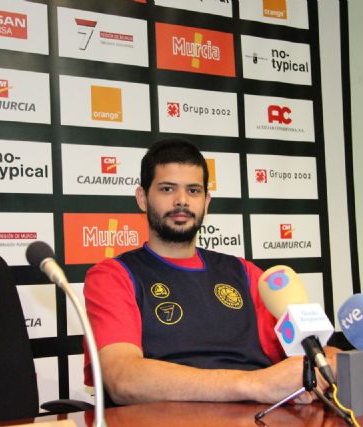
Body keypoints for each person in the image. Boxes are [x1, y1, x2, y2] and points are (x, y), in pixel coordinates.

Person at [83, 138, 339, 405]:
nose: (181, 201)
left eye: (193, 191)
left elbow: (315, 352)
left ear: (206, 202)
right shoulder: (114, 276)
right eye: (167, 189)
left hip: (260, 418)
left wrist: (332, 363)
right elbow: (123, 379)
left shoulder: (244, 273)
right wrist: (255, 384)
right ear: (142, 198)